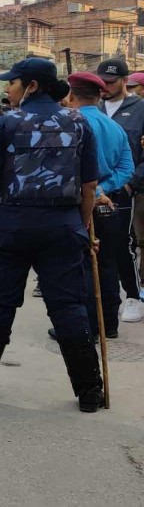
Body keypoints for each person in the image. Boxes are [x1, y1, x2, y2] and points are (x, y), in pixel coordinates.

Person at [0, 57, 105, 413]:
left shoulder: (6, 124)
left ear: (32, 86)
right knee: (69, 305)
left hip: (10, 227)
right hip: (62, 228)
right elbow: (89, 185)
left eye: (13, 83)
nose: (7, 88)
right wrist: (82, 228)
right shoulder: (78, 122)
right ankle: (89, 390)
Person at [45, 72, 131, 342]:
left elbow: (65, 167)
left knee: (79, 264)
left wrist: (94, 191)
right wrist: (103, 189)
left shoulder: (71, 124)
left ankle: (88, 326)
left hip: (78, 205)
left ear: (70, 95)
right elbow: (126, 167)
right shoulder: (114, 126)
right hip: (107, 205)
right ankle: (109, 324)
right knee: (106, 263)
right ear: (99, 96)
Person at [97, 59, 144, 323]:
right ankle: (104, 300)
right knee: (97, 245)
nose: (105, 86)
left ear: (125, 80)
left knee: (123, 243)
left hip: (125, 186)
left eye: (111, 82)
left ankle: (133, 296)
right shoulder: (95, 107)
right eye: (102, 81)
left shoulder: (140, 108)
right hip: (95, 186)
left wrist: (130, 181)